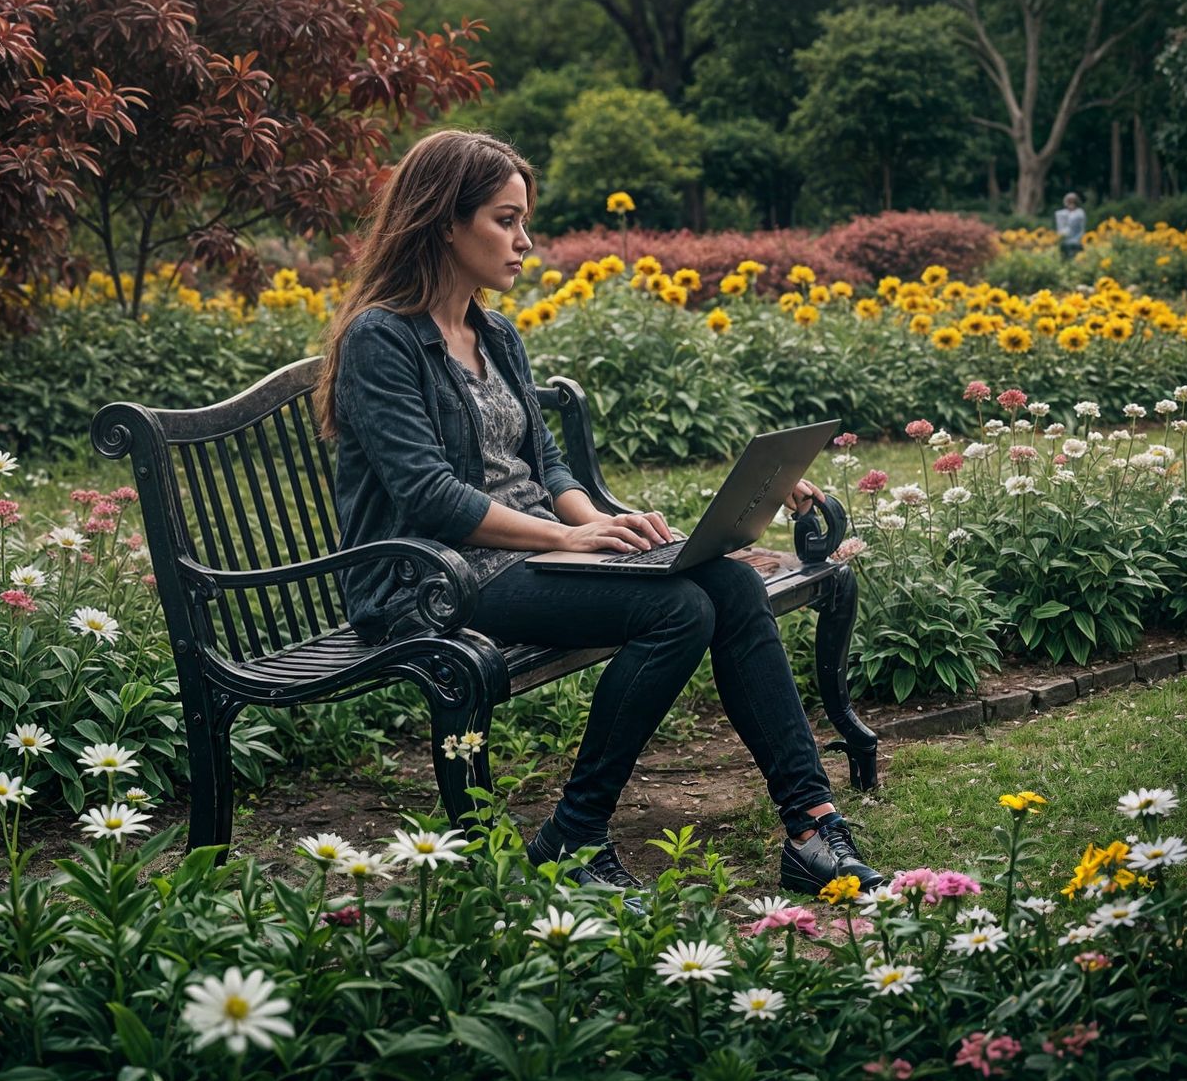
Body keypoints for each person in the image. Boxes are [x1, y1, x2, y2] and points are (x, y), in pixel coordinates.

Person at [314, 128, 885, 901]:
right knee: (680, 610)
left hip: (529, 558)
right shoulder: (382, 339)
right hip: (431, 578)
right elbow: (428, 495)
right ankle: (576, 835)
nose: (525, 241)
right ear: (443, 221)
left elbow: (547, 466)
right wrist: (569, 536)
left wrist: (608, 527)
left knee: (733, 587)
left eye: (524, 222)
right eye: (505, 220)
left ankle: (812, 824)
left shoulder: (494, 332)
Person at [1054, 191, 1087, 262]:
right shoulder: (1061, 213)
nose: (1071, 204)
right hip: (1065, 243)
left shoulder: (1080, 213)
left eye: (1073, 202)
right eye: (1069, 202)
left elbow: (1076, 223)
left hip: (1077, 242)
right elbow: (1060, 228)